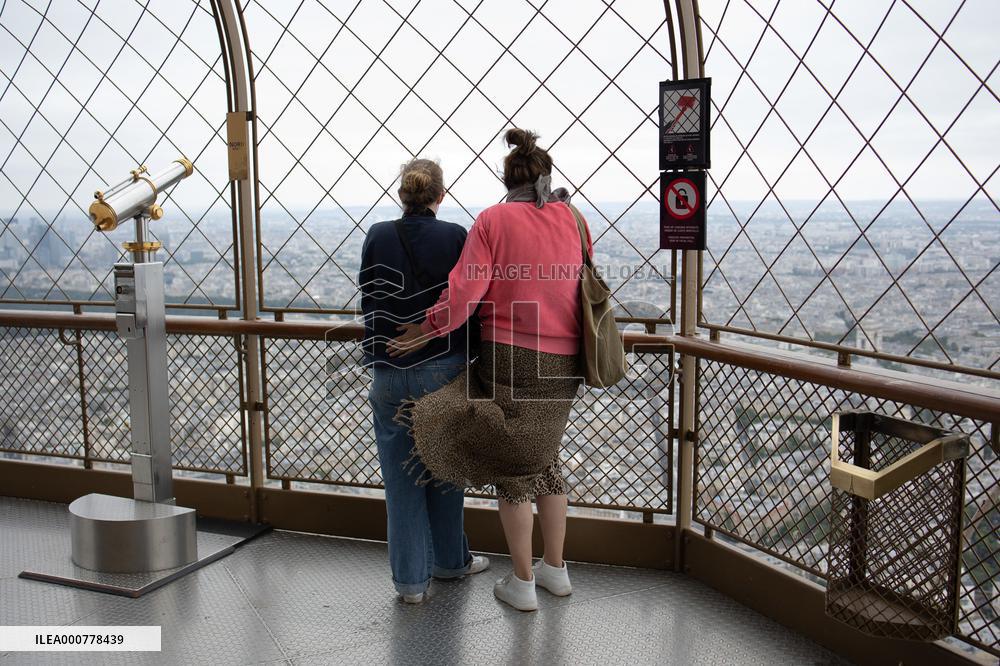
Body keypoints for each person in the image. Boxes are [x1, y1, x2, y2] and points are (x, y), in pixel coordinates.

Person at [388, 129, 592, 612]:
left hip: (510, 353)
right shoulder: (575, 219)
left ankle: (522, 581)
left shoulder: (493, 220)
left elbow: (463, 296)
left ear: (507, 178)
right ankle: (555, 570)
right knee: (546, 458)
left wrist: (426, 328)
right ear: (546, 176)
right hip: (565, 359)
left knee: (512, 466)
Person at [359, 158, 489, 604]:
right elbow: (468, 299)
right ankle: (451, 563)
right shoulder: (455, 236)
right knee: (445, 469)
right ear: (441, 194)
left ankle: (411, 584)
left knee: (400, 481)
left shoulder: (377, 235)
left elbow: (369, 295)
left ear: (402, 194)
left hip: (389, 369)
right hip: (443, 367)